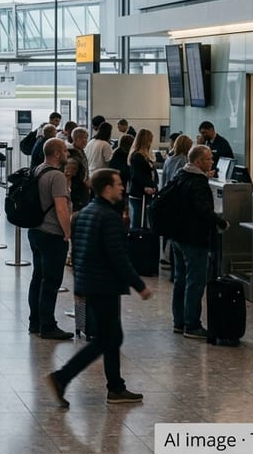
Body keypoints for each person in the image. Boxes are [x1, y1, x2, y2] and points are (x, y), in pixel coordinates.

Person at [46, 168, 152, 408]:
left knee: (111, 337)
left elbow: (80, 251)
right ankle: (62, 377)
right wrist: (139, 285)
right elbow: (118, 257)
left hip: (88, 282)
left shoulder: (83, 214)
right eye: (117, 184)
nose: (122, 188)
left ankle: (116, 387)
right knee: (107, 339)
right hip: (104, 285)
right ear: (107, 188)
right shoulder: (109, 218)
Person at [170, 145, 227, 338]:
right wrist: (221, 222)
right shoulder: (198, 183)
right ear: (198, 161)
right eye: (209, 159)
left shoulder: (181, 176)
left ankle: (179, 321)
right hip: (194, 239)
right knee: (195, 282)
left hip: (177, 236)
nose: (212, 162)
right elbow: (203, 210)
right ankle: (192, 324)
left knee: (180, 280)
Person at [27, 139, 74, 340]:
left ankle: (35, 321)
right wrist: (68, 232)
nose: (67, 153)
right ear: (56, 154)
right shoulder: (56, 176)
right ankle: (48, 325)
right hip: (52, 233)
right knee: (51, 280)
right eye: (64, 150)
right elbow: (61, 208)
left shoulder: (38, 170)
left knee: (38, 277)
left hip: (35, 230)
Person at [127, 129, 158, 231]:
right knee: (139, 220)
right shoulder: (138, 156)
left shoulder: (143, 156)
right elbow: (137, 175)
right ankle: (137, 242)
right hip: (139, 193)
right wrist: (146, 186)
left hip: (144, 192)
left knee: (142, 219)